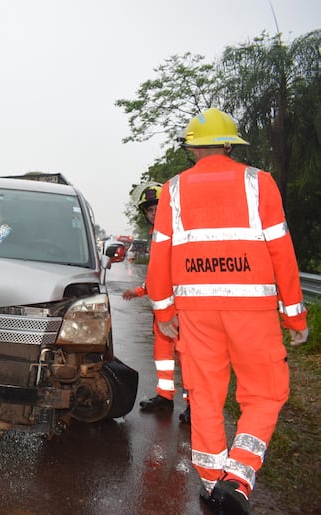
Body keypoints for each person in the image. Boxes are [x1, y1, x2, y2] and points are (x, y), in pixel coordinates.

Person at [146, 108, 309, 514]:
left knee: (203, 395)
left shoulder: (173, 189)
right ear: (231, 143)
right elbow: (281, 251)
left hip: (196, 313)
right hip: (252, 311)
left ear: (192, 148)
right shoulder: (259, 182)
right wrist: (295, 315)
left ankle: (211, 481)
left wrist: (164, 309)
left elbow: (160, 253)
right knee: (266, 392)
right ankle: (238, 478)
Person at [122, 183, 190, 422]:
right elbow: (157, 275)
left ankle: (194, 404)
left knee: (187, 356)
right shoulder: (157, 236)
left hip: (182, 308)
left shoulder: (181, 233)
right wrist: (139, 291)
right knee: (162, 353)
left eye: (158, 208)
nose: (153, 214)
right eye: (149, 210)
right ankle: (165, 396)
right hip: (163, 309)